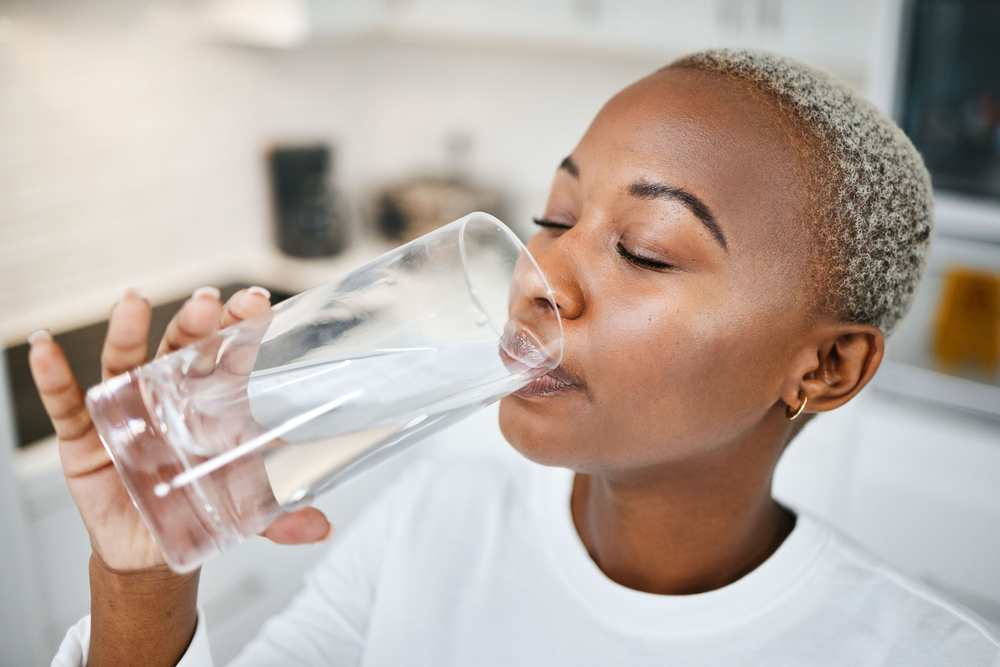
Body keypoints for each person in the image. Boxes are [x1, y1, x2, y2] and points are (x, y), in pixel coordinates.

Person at [32, 49, 1000, 666]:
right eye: (556, 216)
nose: (541, 272)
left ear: (824, 367)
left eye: (646, 249)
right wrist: (141, 584)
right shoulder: (435, 521)